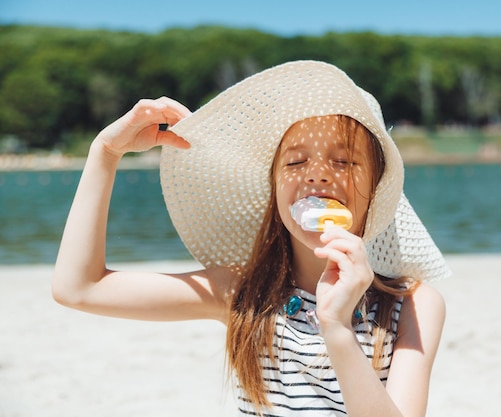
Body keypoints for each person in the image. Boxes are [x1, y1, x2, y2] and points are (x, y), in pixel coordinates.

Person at [53, 60, 451, 417]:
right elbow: (79, 287)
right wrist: (105, 153)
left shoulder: (413, 306)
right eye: (295, 161)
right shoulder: (243, 293)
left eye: (344, 161)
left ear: (378, 188)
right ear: (274, 188)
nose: (317, 173)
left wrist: (338, 329)